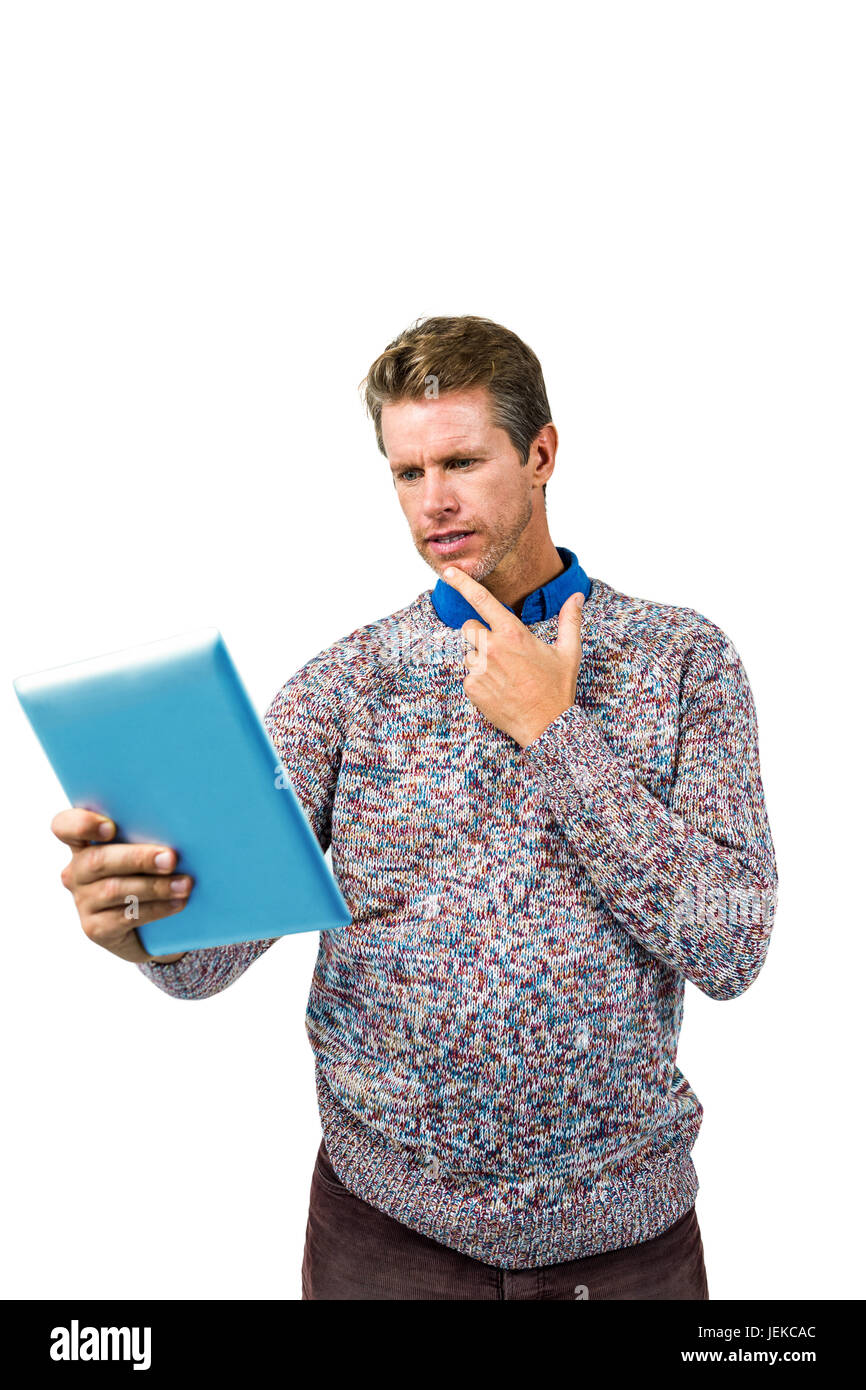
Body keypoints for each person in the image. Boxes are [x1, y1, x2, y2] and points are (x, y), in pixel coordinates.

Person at [52, 315, 778, 1300]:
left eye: (461, 461)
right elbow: (205, 961)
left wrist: (553, 731)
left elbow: (727, 947)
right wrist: (142, 930)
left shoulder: (682, 660)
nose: (431, 502)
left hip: (626, 1253)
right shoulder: (346, 684)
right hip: (383, 1246)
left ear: (540, 453)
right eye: (405, 473)